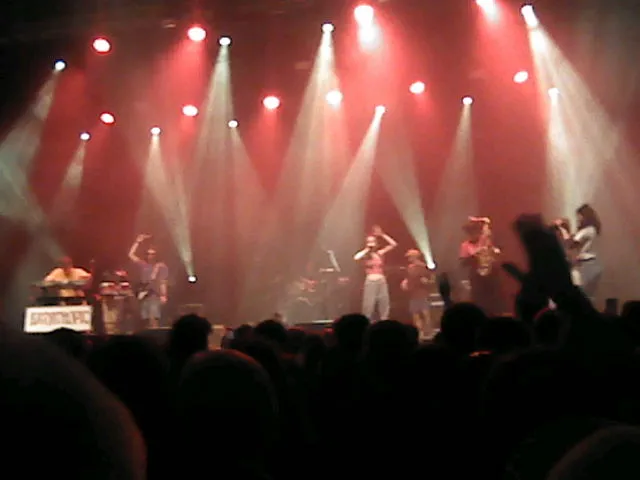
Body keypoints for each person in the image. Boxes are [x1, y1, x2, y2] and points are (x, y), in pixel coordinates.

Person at [459, 217, 506, 317]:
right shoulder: (465, 246)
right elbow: (463, 263)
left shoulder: (487, 241)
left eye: (476, 231)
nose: (474, 234)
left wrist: (493, 252)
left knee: (494, 299)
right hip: (477, 278)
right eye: (471, 232)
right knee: (479, 300)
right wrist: (475, 256)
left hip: (491, 276)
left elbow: (499, 251)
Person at [554, 204, 602, 299]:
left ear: (585, 216)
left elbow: (570, 243)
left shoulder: (587, 230)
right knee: (587, 295)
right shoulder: (592, 230)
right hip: (591, 264)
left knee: (581, 294)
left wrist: (562, 228)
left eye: (579, 217)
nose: (578, 220)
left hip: (587, 264)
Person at [353, 225, 398, 321]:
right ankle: (366, 322)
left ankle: (384, 321)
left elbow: (394, 244)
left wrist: (382, 234)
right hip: (371, 280)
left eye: (373, 241)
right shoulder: (365, 255)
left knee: (384, 302)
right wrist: (367, 249)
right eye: (369, 241)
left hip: (381, 279)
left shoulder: (379, 253)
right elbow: (356, 257)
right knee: (368, 304)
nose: (371, 243)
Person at [128, 234, 169, 329]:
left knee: (153, 318)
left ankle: (155, 334)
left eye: (152, 254)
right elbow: (131, 255)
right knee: (145, 318)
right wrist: (137, 242)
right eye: (148, 254)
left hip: (155, 294)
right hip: (144, 294)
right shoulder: (144, 265)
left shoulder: (161, 266)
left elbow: (163, 281)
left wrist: (164, 295)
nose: (150, 256)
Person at [401, 249, 434, 338]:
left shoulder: (422, 266)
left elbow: (431, 279)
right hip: (412, 293)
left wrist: (427, 281)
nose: (408, 258)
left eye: (409, 256)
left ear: (415, 257)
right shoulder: (409, 267)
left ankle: (428, 331)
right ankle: (420, 333)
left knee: (425, 313)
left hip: (421, 293)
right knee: (415, 314)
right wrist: (405, 282)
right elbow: (408, 278)